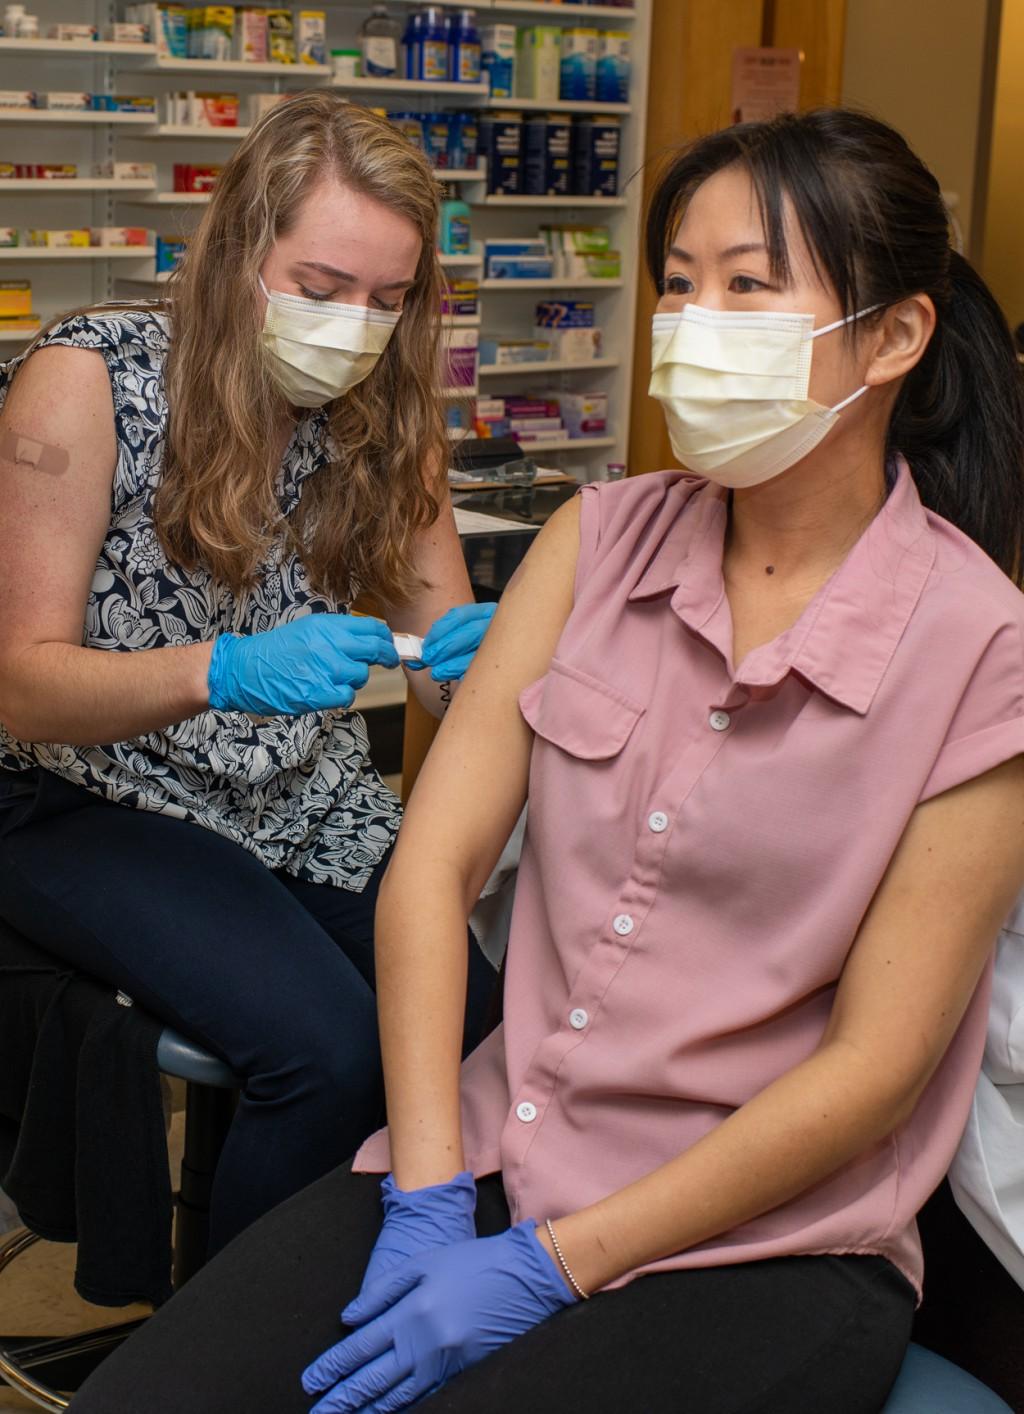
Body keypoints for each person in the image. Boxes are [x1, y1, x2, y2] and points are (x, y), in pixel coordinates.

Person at [70, 107, 1024, 1414]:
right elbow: (433, 866)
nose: (693, 325)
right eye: (680, 284)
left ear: (896, 334)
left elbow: (874, 1070)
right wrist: (423, 1193)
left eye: (749, 286)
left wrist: (552, 1263)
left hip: (756, 1238)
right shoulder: (599, 541)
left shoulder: (981, 646)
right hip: (489, 1154)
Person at [0, 93, 497, 1256]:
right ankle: (235, 1358)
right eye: (320, 288)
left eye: (385, 300)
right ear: (235, 251)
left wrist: (485, 667)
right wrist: (218, 670)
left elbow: (445, 666)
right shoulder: (87, 382)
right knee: (325, 1053)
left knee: (472, 1025)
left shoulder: (387, 414)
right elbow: (19, 688)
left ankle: (371, 1303)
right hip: (85, 792)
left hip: (293, 792)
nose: (353, 327)